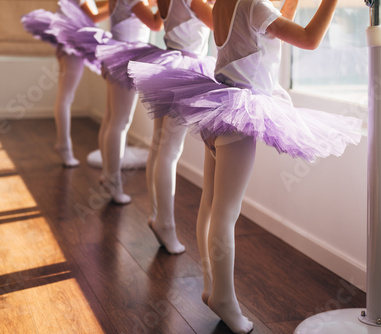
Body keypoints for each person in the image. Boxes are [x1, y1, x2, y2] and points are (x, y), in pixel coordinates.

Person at [129, 0, 362, 332]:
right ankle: (224, 298)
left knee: (211, 206)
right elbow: (310, 40)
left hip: (217, 110)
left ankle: (212, 286)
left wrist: (291, 3)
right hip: (239, 119)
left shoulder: (228, 3)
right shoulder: (255, 5)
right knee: (226, 214)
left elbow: (272, 30)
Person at [124, 0, 215, 254]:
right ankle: (164, 221)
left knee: (159, 145)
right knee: (170, 151)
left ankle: (157, 214)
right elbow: (222, 26)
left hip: (168, 63)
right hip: (185, 69)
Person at [22, 0, 109, 167]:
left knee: (65, 97)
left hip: (67, 46)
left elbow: (87, 9)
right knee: (66, 98)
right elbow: (94, 16)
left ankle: (63, 144)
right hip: (71, 48)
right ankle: (64, 146)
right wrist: (120, 6)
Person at [96, 0, 163, 204]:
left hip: (115, 55)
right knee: (120, 123)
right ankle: (113, 181)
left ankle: (107, 173)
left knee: (111, 119)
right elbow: (155, 24)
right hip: (125, 59)